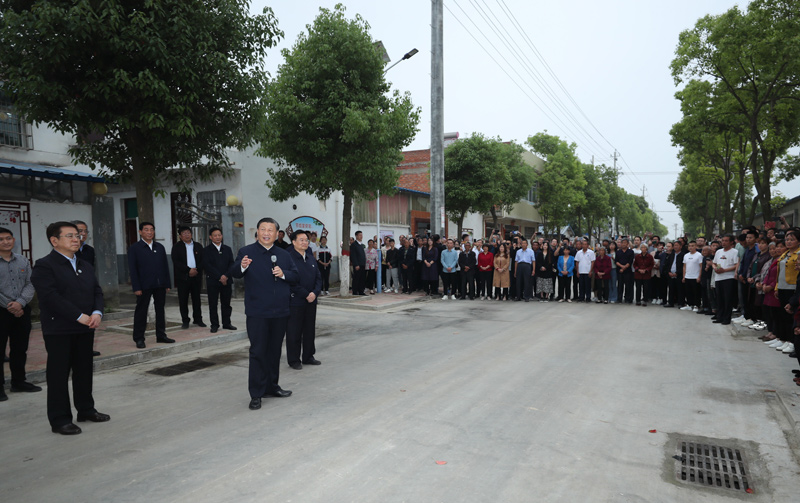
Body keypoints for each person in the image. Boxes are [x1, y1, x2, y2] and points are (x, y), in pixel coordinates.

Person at [30, 222, 108, 435]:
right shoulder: (44, 265)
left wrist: (97, 313)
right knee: (58, 374)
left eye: (78, 235)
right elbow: (50, 297)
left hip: (86, 327)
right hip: (59, 329)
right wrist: (79, 316)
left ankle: (86, 409)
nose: (77, 239)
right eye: (70, 235)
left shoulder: (85, 264)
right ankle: (60, 419)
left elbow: (97, 291)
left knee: (84, 370)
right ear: (54, 241)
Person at [231, 217, 299, 411]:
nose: (267, 233)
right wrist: (243, 265)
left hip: (280, 312)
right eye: (263, 229)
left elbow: (295, 276)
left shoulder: (284, 255)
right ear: (258, 232)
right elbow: (234, 272)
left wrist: (283, 274)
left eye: (271, 230)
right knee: (258, 352)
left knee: (274, 351)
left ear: (277, 233)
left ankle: (272, 387)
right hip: (258, 312)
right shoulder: (246, 252)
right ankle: (256, 393)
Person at [0, 227, 40, 401]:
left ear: (13, 240)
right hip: (2, 310)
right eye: (1, 239)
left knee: (20, 348)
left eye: (8, 238)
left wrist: (20, 303)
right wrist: (11, 306)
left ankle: (19, 382)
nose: (5, 242)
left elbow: (31, 283)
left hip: (22, 309)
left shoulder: (22, 260)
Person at [128, 221, 173, 348]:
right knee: (141, 312)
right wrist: (136, 287)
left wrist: (167, 284)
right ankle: (139, 338)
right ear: (140, 232)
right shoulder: (135, 248)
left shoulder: (159, 247)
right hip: (144, 286)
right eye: (146, 230)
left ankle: (161, 335)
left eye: (151, 230)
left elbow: (165, 266)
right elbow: (133, 269)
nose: (149, 232)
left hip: (160, 285)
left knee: (160, 311)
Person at [286, 230, 322, 370]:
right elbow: (290, 281)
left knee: (309, 330)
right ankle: (294, 360)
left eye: (306, 240)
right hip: (296, 301)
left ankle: (308, 356)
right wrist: (306, 294)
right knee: (294, 331)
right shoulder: (288, 258)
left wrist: (314, 293)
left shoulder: (310, 257)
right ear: (294, 242)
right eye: (301, 240)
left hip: (311, 300)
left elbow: (318, 278)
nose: (304, 242)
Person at [203, 227, 236, 333]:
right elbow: (207, 266)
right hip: (213, 281)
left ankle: (227, 323)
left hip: (227, 281)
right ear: (210, 237)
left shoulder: (227, 249)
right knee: (213, 304)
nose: (217, 237)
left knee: (226, 303)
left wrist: (226, 276)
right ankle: (214, 324)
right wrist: (219, 277)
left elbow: (231, 263)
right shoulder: (206, 250)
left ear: (221, 236)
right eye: (215, 235)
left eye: (219, 235)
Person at [172, 226, 206, 329]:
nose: (187, 235)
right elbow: (176, 262)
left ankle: (198, 319)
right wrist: (188, 270)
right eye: (184, 233)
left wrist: (196, 270)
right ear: (180, 236)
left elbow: (203, 260)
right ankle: (185, 320)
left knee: (196, 299)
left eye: (188, 232)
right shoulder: (177, 247)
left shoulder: (198, 246)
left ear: (191, 234)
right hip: (183, 278)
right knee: (183, 300)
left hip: (196, 277)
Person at [713, 234, 741, 325]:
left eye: (726, 241)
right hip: (718, 278)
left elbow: (736, 264)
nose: (723, 242)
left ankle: (726, 318)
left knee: (727, 299)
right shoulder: (718, 252)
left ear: (731, 242)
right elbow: (714, 263)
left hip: (729, 278)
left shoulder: (735, 252)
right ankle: (719, 316)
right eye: (722, 241)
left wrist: (724, 270)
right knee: (719, 298)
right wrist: (716, 268)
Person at [682, 241, 703, 312]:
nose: (691, 247)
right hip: (688, 276)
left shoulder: (699, 255)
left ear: (696, 246)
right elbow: (684, 267)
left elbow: (701, 267)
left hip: (695, 277)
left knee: (696, 292)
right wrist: (684, 276)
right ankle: (689, 305)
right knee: (688, 292)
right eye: (689, 246)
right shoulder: (686, 255)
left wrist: (699, 276)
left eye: (692, 246)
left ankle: (696, 305)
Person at [615, 238, 635, 304]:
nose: (623, 244)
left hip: (628, 271)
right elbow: (616, 261)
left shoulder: (631, 252)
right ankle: (619, 298)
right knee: (620, 285)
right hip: (619, 271)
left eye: (625, 243)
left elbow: (630, 261)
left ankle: (627, 298)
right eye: (622, 242)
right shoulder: (618, 252)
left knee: (628, 285)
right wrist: (621, 267)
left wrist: (624, 268)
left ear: (627, 244)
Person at [350, 231, 367, 296]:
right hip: (357, 265)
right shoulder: (354, 245)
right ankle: (355, 291)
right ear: (356, 236)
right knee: (356, 278)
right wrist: (356, 264)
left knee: (362, 278)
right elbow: (353, 256)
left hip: (362, 264)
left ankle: (361, 291)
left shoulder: (361, 245)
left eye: (361, 235)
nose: (361, 236)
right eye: (360, 235)